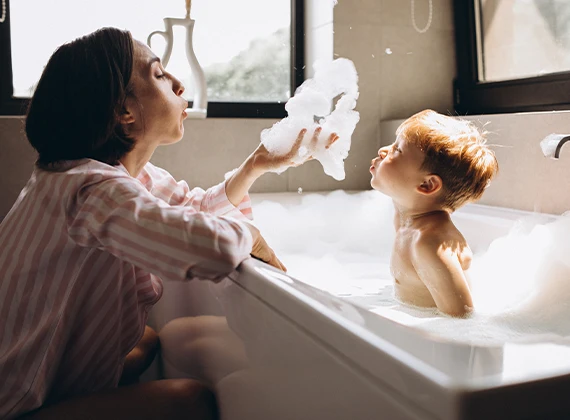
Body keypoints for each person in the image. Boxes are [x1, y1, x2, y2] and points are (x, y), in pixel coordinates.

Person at [0, 27, 338, 419]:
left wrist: (255, 166)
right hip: (15, 404)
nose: (178, 84)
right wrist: (251, 235)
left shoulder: (103, 175)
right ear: (123, 112)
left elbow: (192, 208)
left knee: (145, 342)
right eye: (159, 75)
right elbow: (208, 247)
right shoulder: (91, 192)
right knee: (191, 401)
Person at [370, 110, 498, 317]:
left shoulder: (430, 244)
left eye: (397, 151)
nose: (383, 150)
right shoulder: (406, 215)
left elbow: (461, 317)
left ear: (427, 184)